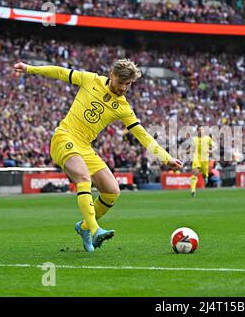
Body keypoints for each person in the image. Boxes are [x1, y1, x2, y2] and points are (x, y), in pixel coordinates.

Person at [13, 60, 183, 252]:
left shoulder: (123, 107)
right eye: (121, 83)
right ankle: (95, 229)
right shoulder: (90, 79)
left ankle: (84, 227)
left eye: (128, 85)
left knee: (112, 190)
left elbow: (142, 134)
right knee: (84, 177)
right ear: (112, 75)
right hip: (64, 137)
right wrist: (30, 69)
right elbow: (60, 72)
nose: (123, 88)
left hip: (85, 147)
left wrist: (165, 157)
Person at [190, 126, 214, 197]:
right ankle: (193, 190)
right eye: (200, 130)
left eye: (202, 130)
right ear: (197, 131)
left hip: (204, 159)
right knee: (195, 173)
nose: (201, 131)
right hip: (196, 159)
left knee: (204, 174)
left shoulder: (207, 138)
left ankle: (205, 176)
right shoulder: (194, 139)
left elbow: (214, 146)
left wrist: (210, 151)